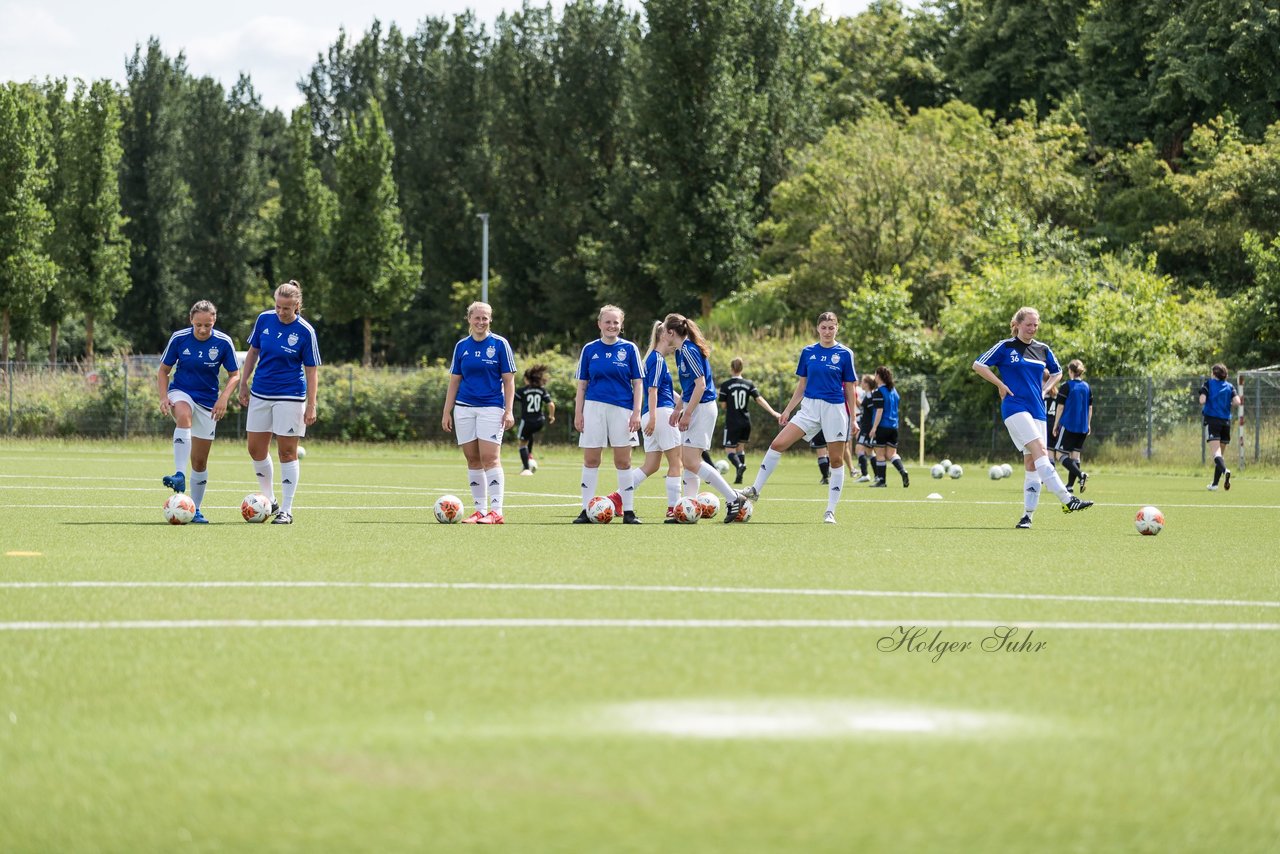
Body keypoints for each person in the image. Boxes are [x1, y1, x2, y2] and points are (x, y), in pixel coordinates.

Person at [973, 306, 1092, 529]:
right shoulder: (1005, 347)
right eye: (1028, 324)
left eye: (1036, 325)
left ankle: (1027, 516)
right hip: (1014, 406)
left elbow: (1057, 372)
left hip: (1037, 409)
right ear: (1017, 324)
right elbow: (978, 365)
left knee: (1032, 463)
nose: (1032, 329)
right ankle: (1068, 500)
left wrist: (1045, 390)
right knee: (1041, 451)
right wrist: (1000, 384)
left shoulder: (1043, 349)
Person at [733, 311, 857, 524]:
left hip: (835, 409)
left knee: (836, 460)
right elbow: (802, 385)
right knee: (777, 444)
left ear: (837, 328)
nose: (827, 331)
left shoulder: (845, 353)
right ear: (818, 328)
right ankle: (755, 490)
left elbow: (850, 388)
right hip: (809, 408)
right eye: (824, 327)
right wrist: (788, 410)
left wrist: (853, 418)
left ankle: (830, 511)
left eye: (831, 327)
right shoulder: (808, 352)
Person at [236, 281, 321, 525]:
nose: (281, 312)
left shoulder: (305, 331)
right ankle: (270, 499)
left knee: (287, 452)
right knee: (255, 449)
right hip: (261, 393)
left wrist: (311, 405)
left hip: (290, 396)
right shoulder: (264, 319)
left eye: (286, 308)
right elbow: (253, 352)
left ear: (297, 305)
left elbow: (312, 370)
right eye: (278, 307)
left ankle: (286, 509)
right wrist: (244, 383)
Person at [157, 300, 241, 523]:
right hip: (181, 392)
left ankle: (195, 509)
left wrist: (223, 398)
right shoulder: (179, 338)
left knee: (200, 462)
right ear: (190, 321)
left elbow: (235, 374)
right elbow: (163, 371)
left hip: (208, 402)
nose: (203, 330)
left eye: (208, 325)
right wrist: (164, 397)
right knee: (183, 415)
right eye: (198, 325)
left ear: (214, 322)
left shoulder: (223, 342)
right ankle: (179, 474)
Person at [442, 302, 517, 523]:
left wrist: (509, 411)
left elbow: (509, 382)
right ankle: (480, 511)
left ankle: (497, 512)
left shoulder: (500, 344)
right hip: (464, 409)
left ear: (490, 320)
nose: (481, 322)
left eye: (485, 318)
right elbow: (454, 381)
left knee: (490, 458)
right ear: (469, 319)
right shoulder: (461, 346)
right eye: (477, 318)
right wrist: (447, 412)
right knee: (472, 459)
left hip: (492, 408)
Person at [664, 313, 743, 511]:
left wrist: (687, 413)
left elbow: (701, 386)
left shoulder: (689, 350)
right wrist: (678, 408)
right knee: (688, 461)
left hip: (702, 408)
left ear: (671, 332)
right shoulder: (680, 351)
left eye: (664, 331)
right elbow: (689, 386)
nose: (663, 335)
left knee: (691, 461)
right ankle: (690, 505)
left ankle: (733, 498)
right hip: (693, 406)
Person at [573, 305, 644, 523]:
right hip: (593, 408)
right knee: (591, 459)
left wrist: (637, 413)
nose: (612, 326)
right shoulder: (590, 349)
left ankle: (629, 511)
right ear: (599, 324)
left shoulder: (630, 349)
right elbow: (582, 385)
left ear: (621, 325)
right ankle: (586, 510)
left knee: (623, 461)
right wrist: (579, 413)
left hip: (622, 409)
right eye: (607, 322)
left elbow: (638, 383)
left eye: (616, 322)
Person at [627, 321, 684, 521]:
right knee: (676, 462)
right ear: (664, 336)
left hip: (652, 413)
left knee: (651, 465)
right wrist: (653, 418)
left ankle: (618, 496)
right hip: (660, 414)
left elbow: (666, 391)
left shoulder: (651, 359)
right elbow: (653, 391)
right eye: (672, 335)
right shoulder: (657, 360)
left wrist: (683, 403)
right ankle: (673, 508)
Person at [719, 358, 782, 485]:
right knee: (740, 448)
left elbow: (723, 406)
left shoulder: (725, 385)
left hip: (732, 421)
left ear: (731, 369)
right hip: (745, 421)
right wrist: (774, 412)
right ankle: (739, 476)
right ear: (742, 369)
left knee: (729, 450)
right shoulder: (749, 384)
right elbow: (759, 400)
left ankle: (740, 466)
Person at [1052, 359, 1092, 492]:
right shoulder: (1087, 387)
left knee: (1059, 455)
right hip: (1082, 427)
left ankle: (1081, 475)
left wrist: (1055, 425)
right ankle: (1069, 486)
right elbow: (1090, 408)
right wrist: (1088, 424)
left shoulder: (1066, 386)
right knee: (1075, 457)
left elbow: (1060, 408)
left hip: (1069, 425)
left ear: (1070, 371)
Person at [1200, 363, 1242, 491]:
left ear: (1213, 374)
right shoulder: (1230, 386)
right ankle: (1215, 484)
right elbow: (1237, 402)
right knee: (1220, 455)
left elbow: (1202, 400)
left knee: (1216, 453)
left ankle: (1225, 471)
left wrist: (1209, 400)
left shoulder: (1208, 384)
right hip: (1226, 422)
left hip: (1213, 421)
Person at [867, 366, 910, 487]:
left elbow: (879, 411)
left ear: (879, 377)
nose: (874, 377)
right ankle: (903, 471)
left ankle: (881, 481)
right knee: (892, 454)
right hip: (893, 427)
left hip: (882, 426)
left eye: (875, 374)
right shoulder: (894, 391)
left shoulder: (878, 392)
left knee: (880, 454)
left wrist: (874, 428)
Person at [515, 364, 554, 476]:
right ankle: (530, 455)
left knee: (522, 444)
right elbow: (551, 404)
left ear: (527, 379)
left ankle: (526, 469)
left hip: (527, 420)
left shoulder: (522, 390)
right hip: (539, 421)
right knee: (529, 434)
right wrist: (552, 416)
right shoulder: (542, 390)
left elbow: (512, 399)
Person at [853, 374, 876, 483]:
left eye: (863, 382)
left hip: (867, 428)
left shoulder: (871, 396)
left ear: (867, 384)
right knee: (869, 452)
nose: (861, 383)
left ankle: (865, 474)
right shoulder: (868, 395)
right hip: (865, 427)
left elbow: (872, 412)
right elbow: (863, 407)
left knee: (859, 449)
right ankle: (878, 476)